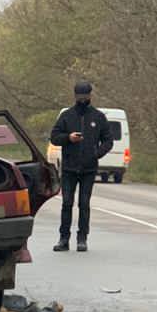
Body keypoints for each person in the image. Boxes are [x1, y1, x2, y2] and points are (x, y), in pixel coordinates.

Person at [49, 80, 112, 252]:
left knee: (84, 204)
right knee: (67, 203)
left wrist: (96, 153)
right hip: (69, 168)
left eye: (85, 96)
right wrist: (68, 138)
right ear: (75, 96)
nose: (83, 99)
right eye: (80, 96)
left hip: (89, 169)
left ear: (90, 96)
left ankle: (82, 238)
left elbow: (108, 141)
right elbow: (54, 137)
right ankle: (63, 239)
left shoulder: (98, 117)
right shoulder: (66, 115)